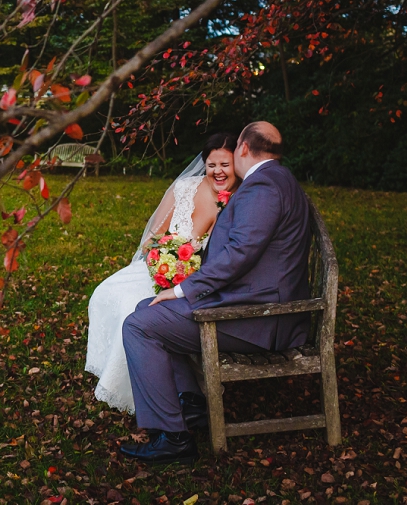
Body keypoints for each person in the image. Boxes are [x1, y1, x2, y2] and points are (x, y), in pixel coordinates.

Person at [119, 122, 312, 465]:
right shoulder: (279, 180)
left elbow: (240, 254)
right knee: (146, 308)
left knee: (139, 325)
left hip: (258, 318)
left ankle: (173, 438)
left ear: (242, 149)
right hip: (261, 304)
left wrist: (182, 289)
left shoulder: (263, 187)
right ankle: (192, 404)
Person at [85, 133, 240, 413]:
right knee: (106, 293)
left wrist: (187, 269)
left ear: (237, 165)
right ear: (204, 165)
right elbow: (153, 235)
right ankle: (136, 385)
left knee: (134, 311)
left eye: (225, 165)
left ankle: (167, 397)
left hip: (195, 281)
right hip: (160, 268)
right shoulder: (184, 188)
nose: (218, 171)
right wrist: (162, 257)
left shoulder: (236, 201)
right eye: (212, 164)